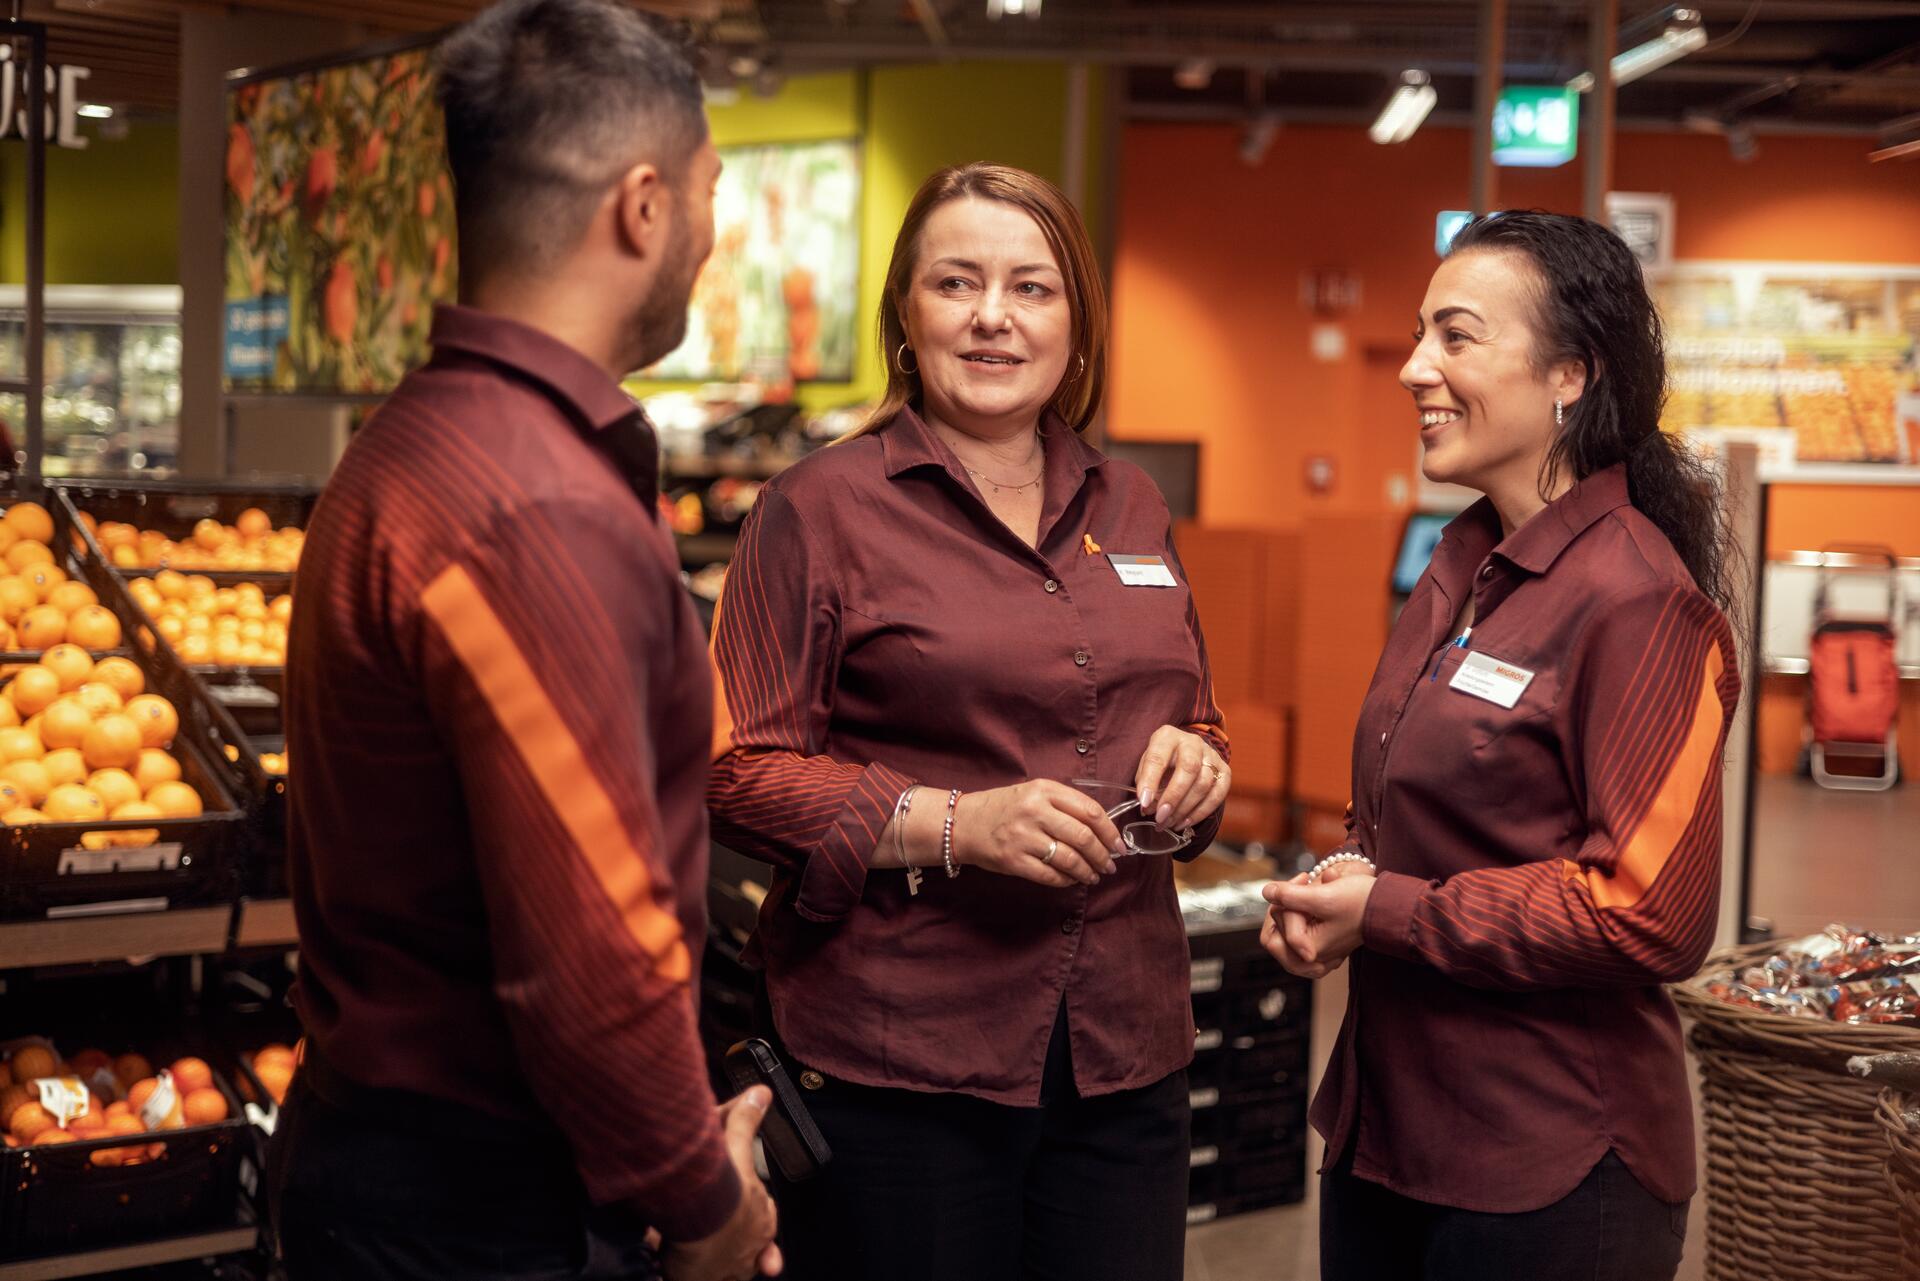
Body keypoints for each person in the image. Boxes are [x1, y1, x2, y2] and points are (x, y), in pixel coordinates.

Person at [268, 3, 778, 1278]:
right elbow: (593, 956)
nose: (711, 237)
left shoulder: (408, 444)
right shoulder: (537, 506)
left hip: (383, 1156)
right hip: (483, 1208)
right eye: (712, 193)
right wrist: (707, 1202)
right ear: (644, 207)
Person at [706, 162, 1231, 1281]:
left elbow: (1197, 714)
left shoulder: (1130, 501)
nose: (994, 316)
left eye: (1032, 288)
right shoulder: (817, 508)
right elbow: (736, 770)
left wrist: (1200, 765)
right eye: (958, 282)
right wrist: (954, 824)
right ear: (908, 311)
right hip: (906, 1066)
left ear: (1076, 321)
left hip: (1124, 1056)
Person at [1262, 211, 1741, 1281]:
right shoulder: (1465, 563)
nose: (1417, 368)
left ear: (1571, 374)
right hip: (1391, 1129)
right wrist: (1357, 884)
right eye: (1420, 334)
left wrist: (1388, 911)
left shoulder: (1638, 599)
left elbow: (1646, 911)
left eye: (1457, 337)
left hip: (1552, 1164)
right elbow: (1447, 811)